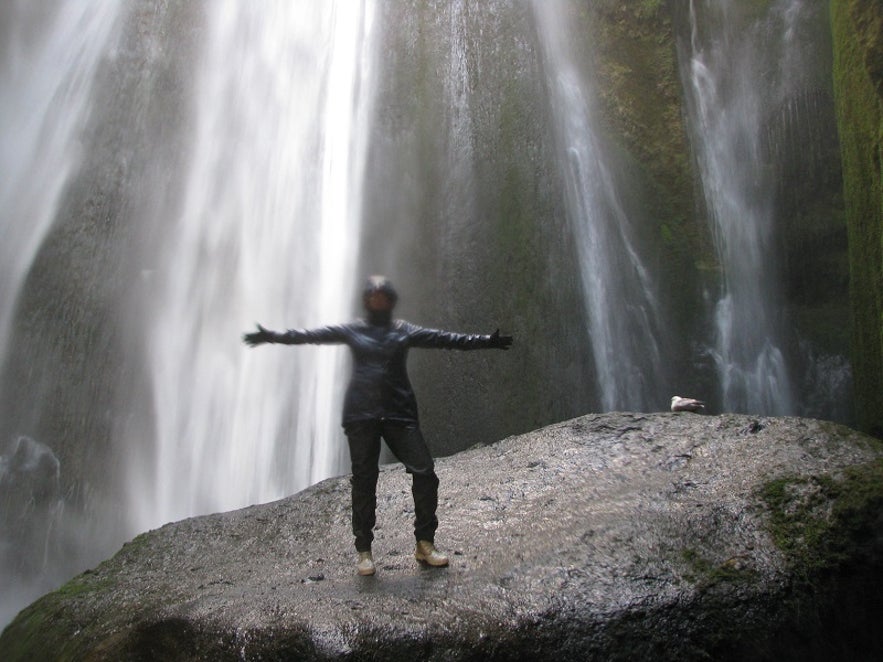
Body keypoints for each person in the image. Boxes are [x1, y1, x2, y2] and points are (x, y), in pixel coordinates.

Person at [243, 275, 513, 576]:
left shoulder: (403, 331)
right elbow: (311, 335)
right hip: (361, 414)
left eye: (382, 294)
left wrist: (487, 341)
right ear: (365, 300)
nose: (377, 297)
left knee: (425, 472)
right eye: (372, 294)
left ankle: (424, 543)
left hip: (398, 413)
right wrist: (273, 336)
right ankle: (364, 550)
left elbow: (446, 339)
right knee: (364, 480)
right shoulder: (352, 329)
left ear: (391, 300)